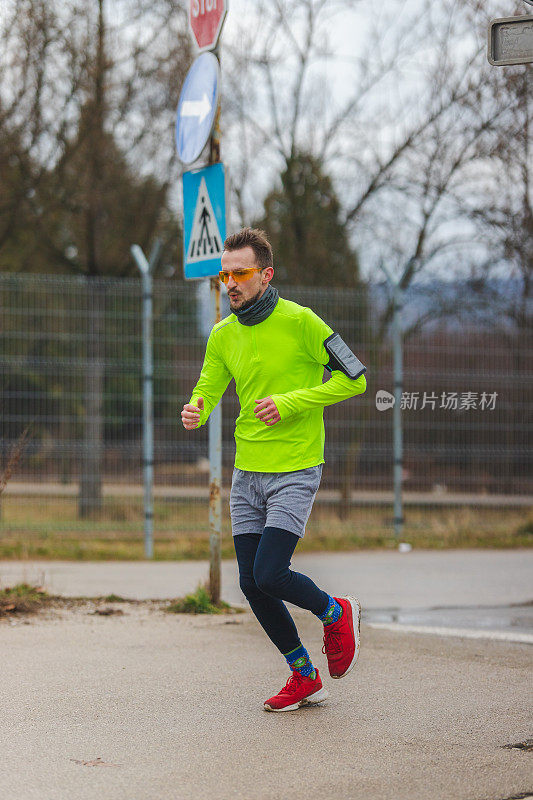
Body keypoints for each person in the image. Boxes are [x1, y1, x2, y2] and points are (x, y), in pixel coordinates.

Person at [181, 227, 367, 712]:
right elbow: (209, 385)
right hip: (248, 472)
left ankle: (335, 611)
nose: (231, 284)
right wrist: (196, 408)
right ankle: (304, 675)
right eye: (225, 275)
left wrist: (289, 403)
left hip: (296, 467)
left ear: (265, 275)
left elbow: (356, 380)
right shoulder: (223, 334)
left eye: (240, 274)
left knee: (270, 572)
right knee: (250, 582)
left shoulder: (302, 322)